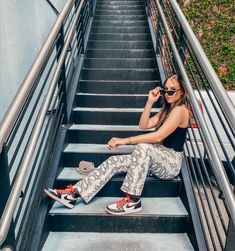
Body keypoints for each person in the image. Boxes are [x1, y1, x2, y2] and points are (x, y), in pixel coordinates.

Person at [44, 74, 190, 215]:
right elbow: (143, 125)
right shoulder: (167, 110)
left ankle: (133, 201)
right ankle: (73, 194)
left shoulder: (180, 110)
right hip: (158, 157)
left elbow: (159, 135)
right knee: (114, 160)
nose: (167, 93)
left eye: (172, 90)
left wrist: (124, 140)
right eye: (165, 90)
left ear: (182, 92)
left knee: (143, 147)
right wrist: (150, 101)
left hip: (170, 162)